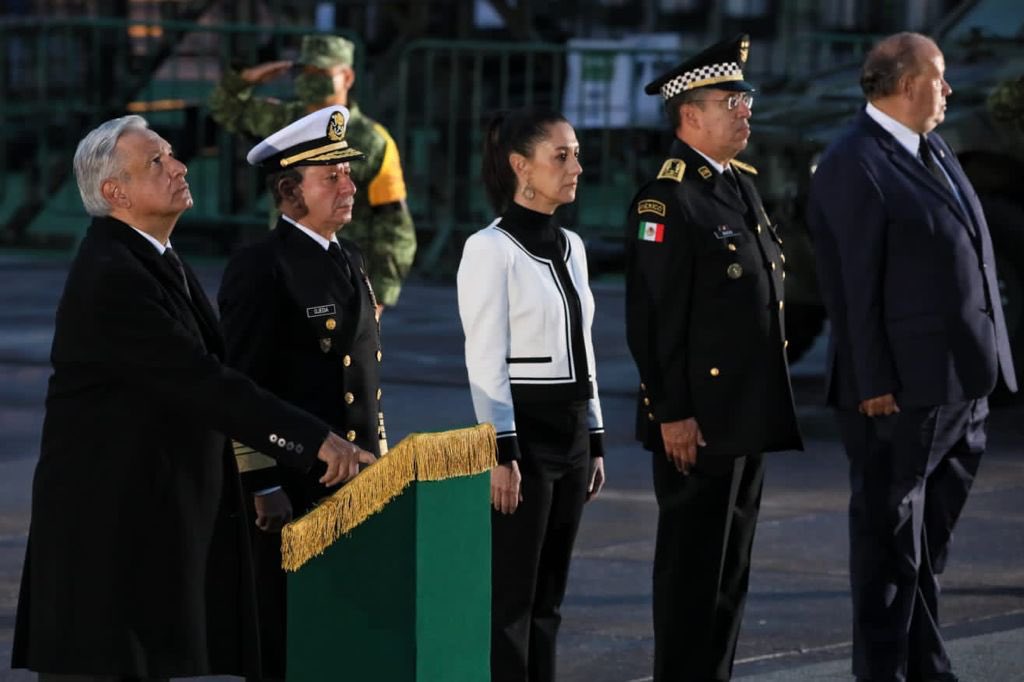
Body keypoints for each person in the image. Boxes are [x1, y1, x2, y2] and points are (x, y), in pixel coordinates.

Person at [11, 114, 375, 681]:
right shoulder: (113, 274)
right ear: (116, 193)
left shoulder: (153, 258)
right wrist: (312, 441)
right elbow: (203, 379)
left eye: (172, 154)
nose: (180, 167)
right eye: (155, 161)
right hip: (107, 528)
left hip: (145, 517)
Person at [807, 32, 1016, 682]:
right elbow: (851, 286)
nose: (949, 90)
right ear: (906, 84)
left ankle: (927, 668)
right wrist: (872, 380)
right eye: (940, 77)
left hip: (961, 387)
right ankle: (884, 672)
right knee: (887, 553)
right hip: (900, 391)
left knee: (926, 551)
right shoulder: (854, 163)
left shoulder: (933, 148)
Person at [624, 34, 803, 681]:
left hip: (744, 416)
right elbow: (652, 319)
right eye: (732, 100)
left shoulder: (737, 186)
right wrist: (671, 412)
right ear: (690, 115)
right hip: (696, 424)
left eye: (746, 99)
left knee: (730, 575)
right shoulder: (667, 198)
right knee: (692, 575)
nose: (745, 110)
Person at [217, 105, 385, 680]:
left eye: (347, 171)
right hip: (293, 480)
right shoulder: (260, 266)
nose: (349, 184)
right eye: (331, 175)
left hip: (356, 474)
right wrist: (261, 479)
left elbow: (361, 373)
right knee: (286, 630)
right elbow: (242, 381)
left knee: (342, 625)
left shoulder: (350, 256)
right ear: (290, 191)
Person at [456, 107, 606, 682]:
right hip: (523, 436)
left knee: (550, 600)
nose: (576, 168)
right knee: (510, 603)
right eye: (561, 156)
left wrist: (593, 436)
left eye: (577, 155)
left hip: (568, 431)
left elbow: (583, 347)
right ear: (521, 165)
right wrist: (501, 451)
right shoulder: (488, 249)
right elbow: (485, 358)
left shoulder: (572, 245)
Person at [209, 33, 416, 316]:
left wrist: (378, 296)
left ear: (347, 77)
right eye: (303, 70)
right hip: (284, 263)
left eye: (320, 71)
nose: (309, 78)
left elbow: (395, 226)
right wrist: (246, 78)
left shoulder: (375, 141)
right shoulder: (282, 120)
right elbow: (224, 107)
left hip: (343, 271)